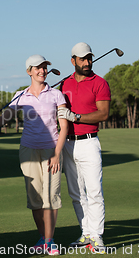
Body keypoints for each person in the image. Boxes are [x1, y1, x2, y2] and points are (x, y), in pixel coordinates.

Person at [0, 54, 68, 256]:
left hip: (52, 150)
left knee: (51, 196)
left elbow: (64, 127)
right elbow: (3, 120)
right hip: (28, 150)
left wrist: (57, 154)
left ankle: (50, 241)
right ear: (29, 71)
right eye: (38, 68)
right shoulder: (20, 96)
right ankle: (42, 238)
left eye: (44, 67)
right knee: (35, 198)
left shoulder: (56, 95)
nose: (42, 71)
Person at [57, 42, 111, 254]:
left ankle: (97, 236)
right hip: (68, 144)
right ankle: (86, 232)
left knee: (94, 191)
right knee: (76, 192)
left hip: (89, 142)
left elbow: (103, 113)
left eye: (89, 58)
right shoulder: (64, 84)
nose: (87, 62)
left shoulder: (100, 82)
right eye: (82, 59)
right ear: (73, 61)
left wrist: (77, 117)